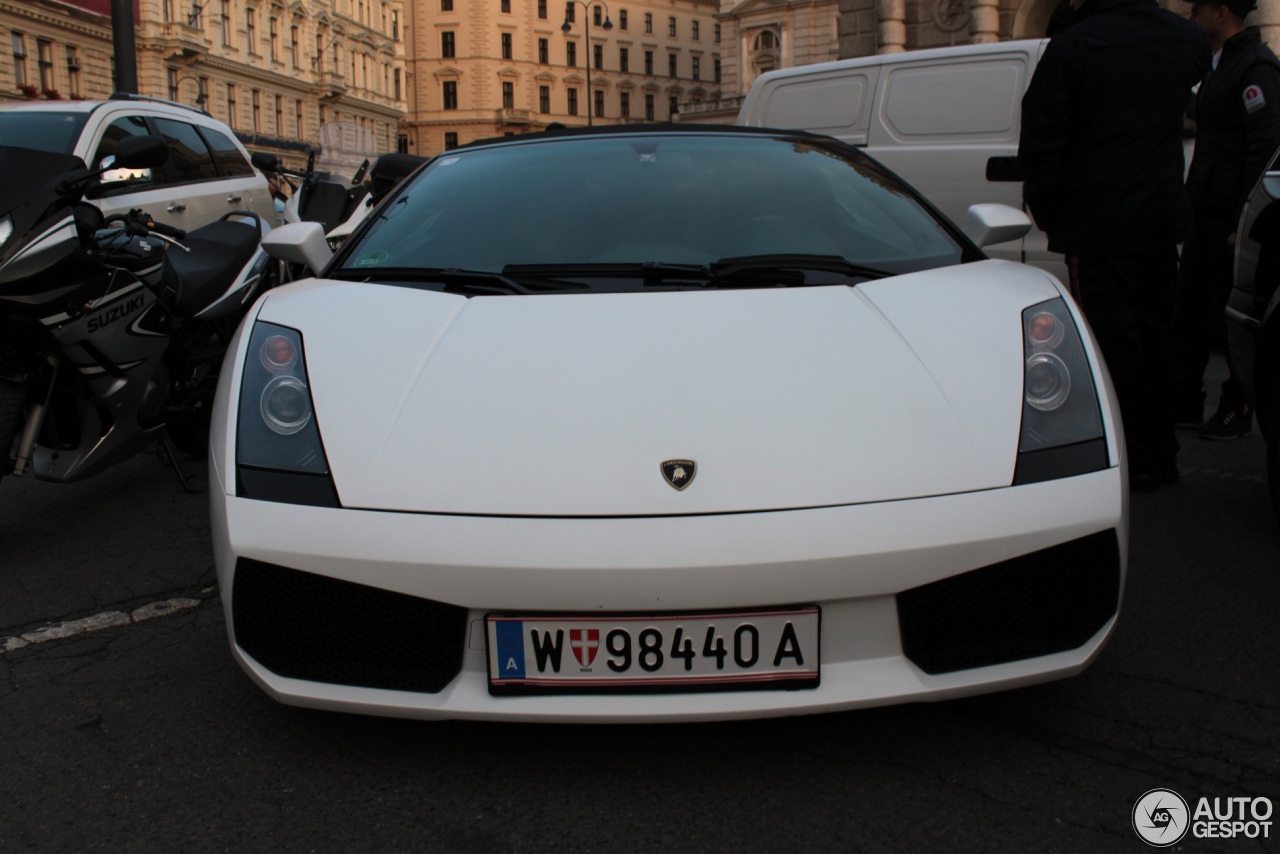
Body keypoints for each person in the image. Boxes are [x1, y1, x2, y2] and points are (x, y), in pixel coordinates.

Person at [1019, 0, 1210, 492]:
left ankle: (1130, 456)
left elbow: (1043, 139)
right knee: (1155, 335)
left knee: (1110, 342)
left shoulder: (1074, 47)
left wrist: (1049, 213)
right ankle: (1160, 452)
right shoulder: (1185, 39)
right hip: (1159, 214)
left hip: (1098, 220)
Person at [1173, 0, 1280, 439]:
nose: (1192, 17)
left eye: (1197, 9)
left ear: (1221, 13)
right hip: (1206, 210)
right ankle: (1184, 401)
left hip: (1229, 219)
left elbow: (1265, 146)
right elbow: (1210, 118)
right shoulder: (1224, 64)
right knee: (1193, 311)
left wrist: (1244, 219)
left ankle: (1239, 405)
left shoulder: (1256, 67)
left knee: (1230, 320)